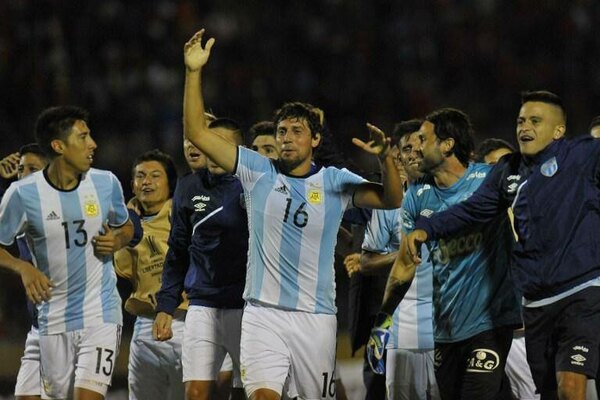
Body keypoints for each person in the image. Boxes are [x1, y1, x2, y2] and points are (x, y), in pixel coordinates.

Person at [181, 29, 403, 400]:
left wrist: (386, 159)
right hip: (261, 314)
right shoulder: (257, 170)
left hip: (314, 319)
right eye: (282, 130)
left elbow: (392, 199)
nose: (285, 137)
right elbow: (197, 134)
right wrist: (193, 72)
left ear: (315, 140)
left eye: (296, 131)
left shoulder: (334, 181)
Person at [404, 91, 600, 400]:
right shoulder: (508, 170)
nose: (525, 128)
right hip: (536, 303)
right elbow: (470, 210)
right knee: (550, 393)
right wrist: (426, 228)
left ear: (558, 131)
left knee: (570, 386)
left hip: (582, 292)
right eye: (521, 121)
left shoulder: (583, 155)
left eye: (536, 121)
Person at [371, 108, 522, 400]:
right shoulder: (417, 197)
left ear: (447, 144)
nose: (415, 147)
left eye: (423, 139)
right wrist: (383, 319)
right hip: (445, 330)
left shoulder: (488, 180)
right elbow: (405, 263)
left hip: (490, 323)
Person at [0, 106, 134, 400]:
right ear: (58, 146)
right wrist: (23, 268)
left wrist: (119, 239)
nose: (93, 144)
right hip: (53, 317)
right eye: (83, 137)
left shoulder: (106, 182)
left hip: (102, 312)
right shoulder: (22, 194)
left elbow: (126, 227)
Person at [154, 117, 249, 400]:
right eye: (211, 144)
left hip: (247, 307)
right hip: (202, 305)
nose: (215, 152)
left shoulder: (254, 185)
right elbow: (177, 250)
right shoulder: (188, 187)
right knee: (195, 393)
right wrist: (166, 305)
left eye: (224, 146)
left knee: (249, 392)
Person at [352, 120, 439, 400]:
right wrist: (403, 254)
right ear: (398, 157)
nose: (414, 153)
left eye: (420, 145)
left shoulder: (453, 196)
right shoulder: (391, 207)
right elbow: (366, 262)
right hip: (401, 329)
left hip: (447, 327)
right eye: (407, 148)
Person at [113, 149, 184, 400]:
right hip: (144, 323)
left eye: (155, 176)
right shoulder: (124, 222)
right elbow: (122, 269)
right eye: (140, 176)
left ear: (170, 184)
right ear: (132, 184)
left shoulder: (183, 214)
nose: (147, 182)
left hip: (184, 320)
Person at [477, 139, 540, 400]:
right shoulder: (475, 217)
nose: (505, 173)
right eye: (494, 167)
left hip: (536, 326)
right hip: (497, 332)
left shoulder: (535, 208)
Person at [3, 144, 50, 400]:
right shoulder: (18, 207)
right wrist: (23, 267)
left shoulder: (71, 204)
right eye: (21, 169)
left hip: (77, 322)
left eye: (33, 169)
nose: (24, 175)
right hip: (39, 323)